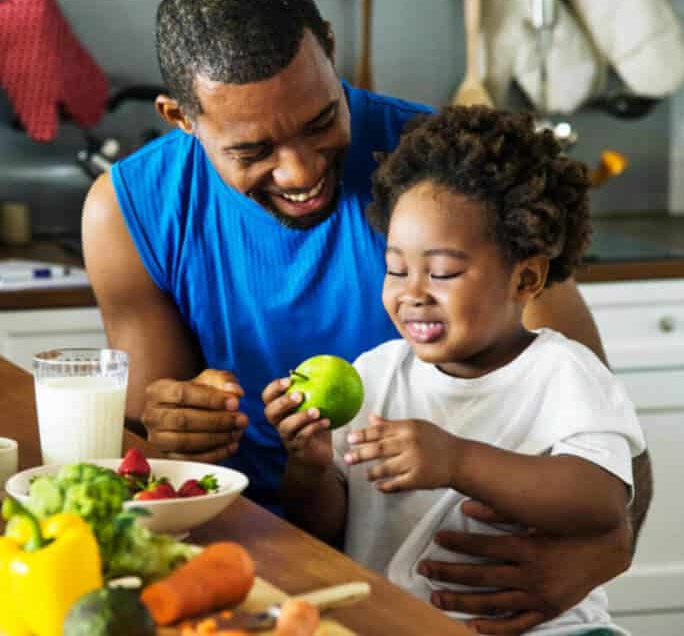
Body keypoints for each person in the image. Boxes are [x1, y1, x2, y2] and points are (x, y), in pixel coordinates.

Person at [82, 0, 653, 632]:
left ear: (329, 45)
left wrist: (601, 554)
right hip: (243, 574)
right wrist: (170, 424)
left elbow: (615, 457)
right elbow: (153, 465)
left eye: (321, 119)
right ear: (181, 117)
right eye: (254, 149)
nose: (300, 170)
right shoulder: (131, 212)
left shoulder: (444, 181)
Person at [265, 106, 646, 634]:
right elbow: (325, 527)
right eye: (396, 268)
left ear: (526, 278)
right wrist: (308, 467)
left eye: (443, 271)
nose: (412, 292)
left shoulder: (562, 372)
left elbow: (601, 502)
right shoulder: (375, 374)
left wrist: (458, 460)